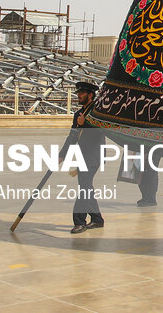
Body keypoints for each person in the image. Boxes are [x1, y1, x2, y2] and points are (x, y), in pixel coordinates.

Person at [67, 82, 105, 234]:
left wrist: (86, 124)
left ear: (90, 95)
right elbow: (72, 136)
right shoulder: (78, 114)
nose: (79, 95)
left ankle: (79, 221)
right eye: (78, 93)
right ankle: (97, 219)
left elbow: (100, 132)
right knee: (86, 186)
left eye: (82, 93)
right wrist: (63, 154)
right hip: (82, 156)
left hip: (94, 156)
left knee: (84, 187)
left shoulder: (98, 112)